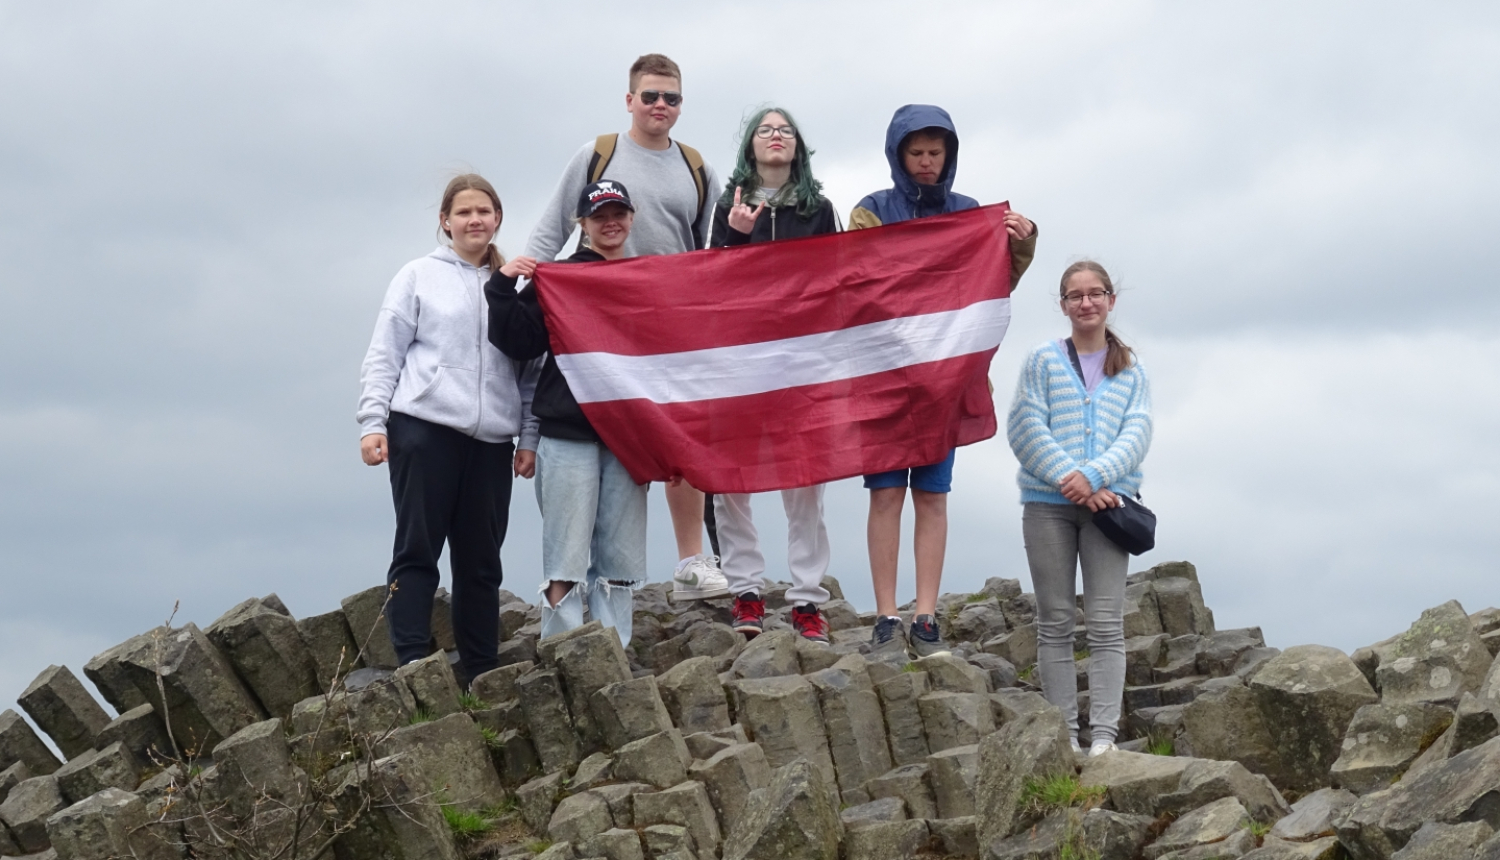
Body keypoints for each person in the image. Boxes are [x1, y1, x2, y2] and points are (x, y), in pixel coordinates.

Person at [523, 53, 728, 601]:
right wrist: (519, 293)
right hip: (604, 320)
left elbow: (714, 248)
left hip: (674, 319)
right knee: (603, 443)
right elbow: (549, 235)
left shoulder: (697, 167)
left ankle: (690, 560)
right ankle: (576, 584)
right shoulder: (598, 154)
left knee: (681, 431)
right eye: (651, 96)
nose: (661, 105)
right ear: (630, 99)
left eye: (672, 98)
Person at [849, 104, 1038, 660]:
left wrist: (1018, 244)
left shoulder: (968, 213)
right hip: (884, 379)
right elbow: (857, 284)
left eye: (936, 152)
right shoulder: (870, 211)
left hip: (944, 383)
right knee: (885, 494)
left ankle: (925, 615)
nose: (927, 162)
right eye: (917, 152)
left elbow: (990, 288)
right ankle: (887, 615)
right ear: (898, 155)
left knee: (932, 496)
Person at [357, 174, 538, 683]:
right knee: (418, 549)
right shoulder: (417, 275)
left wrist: (529, 437)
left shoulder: (517, 284)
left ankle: (482, 669)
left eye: (484, 211)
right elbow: (384, 352)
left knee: (481, 560)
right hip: (424, 428)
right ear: (445, 222)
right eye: (463, 212)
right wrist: (373, 422)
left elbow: (531, 370)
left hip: (491, 442)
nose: (474, 220)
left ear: (497, 218)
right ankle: (413, 662)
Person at [485, 181, 652, 645]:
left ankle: (613, 657)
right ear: (582, 224)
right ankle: (564, 655)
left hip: (627, 440)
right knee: (565, 557)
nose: (611, 222)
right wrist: (500, 287)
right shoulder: (560, 278)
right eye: (599, 215)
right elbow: (518, 340)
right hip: (566, 433)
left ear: (633, 217)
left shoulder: (648, 279)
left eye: (618, 212)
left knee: (620, 559)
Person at [1006, 260, 1152, 757]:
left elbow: (1137, 434)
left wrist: (1093, 479)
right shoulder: (1042, 360)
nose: (1086, 303)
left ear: (1111, 300)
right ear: (1063, 304)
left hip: (1110, 508)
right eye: (1075, 295)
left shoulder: (1131, 370)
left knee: (1108, 623)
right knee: (1055, 620)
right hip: (1047, 508)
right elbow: (1026, 428)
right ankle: (1066, 735)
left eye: (1095, 294)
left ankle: (1104, 739)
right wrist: (1074, 482)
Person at [708, 107, 839, 643]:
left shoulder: (819, 208)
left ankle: (807, 598)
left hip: (800, 361)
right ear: (750, 146)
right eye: (766, 129)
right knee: (730, 476)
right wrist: (737, 238)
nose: (776, 136)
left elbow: (832, 280)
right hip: (739, 358)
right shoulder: (728, 205)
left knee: (805, 480)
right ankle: (746, 590)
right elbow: (712, 282)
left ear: (797, 146)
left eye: (785, 130)